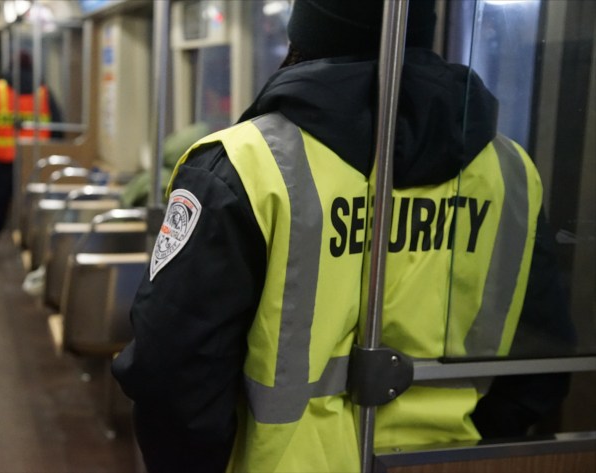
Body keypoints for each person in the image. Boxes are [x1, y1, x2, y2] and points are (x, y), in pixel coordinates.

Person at [112, 1, 574, 471]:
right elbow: (541, 361)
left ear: (304, 35)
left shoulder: (243, 167)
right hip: (445, 459)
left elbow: (172, 373)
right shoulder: (509, 173)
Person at [0, 51, 63, 256]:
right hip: (37, 161)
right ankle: (34, 251)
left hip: (4, 160)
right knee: (34, 207)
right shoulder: (43, 92)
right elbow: (58, 129)